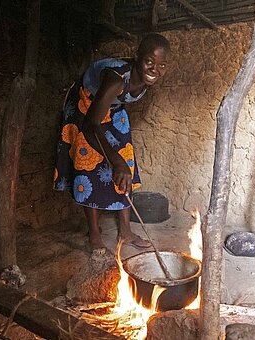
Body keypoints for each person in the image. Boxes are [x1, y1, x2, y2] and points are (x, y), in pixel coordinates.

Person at [53, 33, 170, 251]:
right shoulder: (116, 79)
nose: (155, 70)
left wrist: (119, 160)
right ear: (138, 57)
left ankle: (125, 231)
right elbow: (90, 126)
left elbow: (113, 108)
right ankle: (95, 236)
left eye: (162, 65)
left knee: (125, 162)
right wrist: (114, 160)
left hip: (112, 108)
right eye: (149, 62)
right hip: (86, 107)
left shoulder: (145, 80)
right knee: (89, 165)